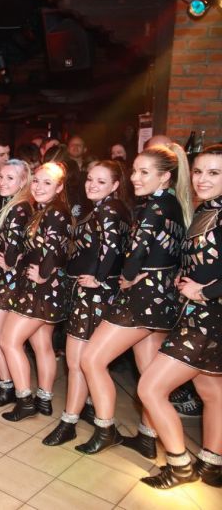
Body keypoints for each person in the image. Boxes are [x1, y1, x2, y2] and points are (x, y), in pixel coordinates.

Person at [77, 144, 192, 456]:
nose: (135, 178)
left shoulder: (155, 208)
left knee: (91, 359)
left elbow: (138, 250)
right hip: (163, 297)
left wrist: (127, 276)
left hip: (142, 297)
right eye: (134, 171)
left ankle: (105, 429)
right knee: (148, 369)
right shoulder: (174, 204)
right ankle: (146, 437)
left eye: (144, 172)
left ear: (165, 177)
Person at [137, 145, 222, 489]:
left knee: (150, 387)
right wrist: (185, 277)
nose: (202, 179)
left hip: (210, 318)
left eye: (214, 173)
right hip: (197, 313)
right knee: (211, 389)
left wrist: (205, 292)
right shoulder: (206, 209)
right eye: (199, 171)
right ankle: (212, 464)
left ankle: (179, 465)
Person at [42, 161, 130, 446]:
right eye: (90, 179)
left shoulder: (108, 209)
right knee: (80, 361)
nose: (92, 185)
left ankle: (74, 423)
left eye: (101, 181)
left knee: (78, 361)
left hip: (93, 296)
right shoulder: (110, 208)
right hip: (92, 294)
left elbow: (112, 248)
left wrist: (100, 279)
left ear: (115, 185)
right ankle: (78, 416)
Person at [0, 162, 72, 421]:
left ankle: (24, 400)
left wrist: (43, 273)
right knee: (42, 345)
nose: (39, 187)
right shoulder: (46, 210)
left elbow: (54, 248)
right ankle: (44, 399)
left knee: (8, 341)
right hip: (47, 289)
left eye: (47, 183)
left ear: (59, 187)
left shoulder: (54, 212)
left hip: (40, 289)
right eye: (37, 181)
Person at [0, 160, 32, 408]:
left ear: (23, 182)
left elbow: (12, 250)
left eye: (10, 178)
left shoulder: (18, 209)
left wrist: (11, 262)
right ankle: (9, 383)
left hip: (10, 279)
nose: (2, 182)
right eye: (1, 177)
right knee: (0, 336)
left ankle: (8, 386)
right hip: (11, 278)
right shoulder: (16, 205)